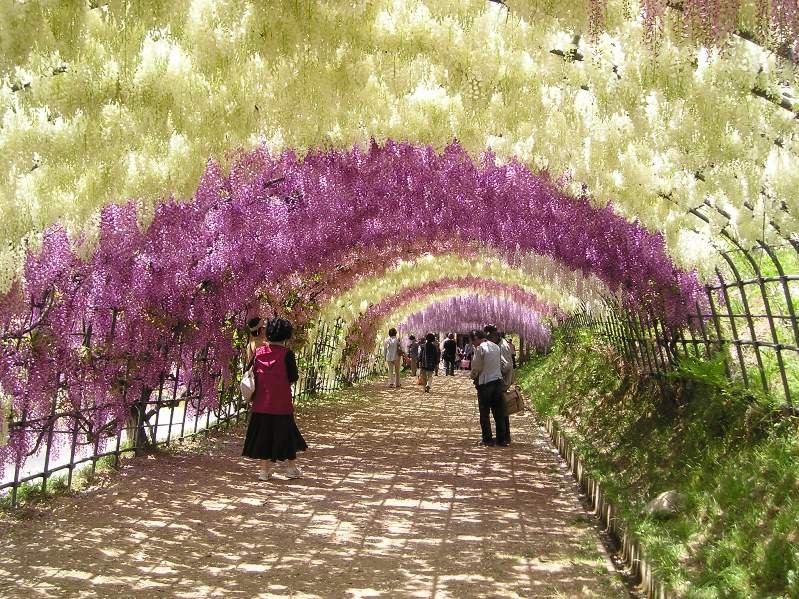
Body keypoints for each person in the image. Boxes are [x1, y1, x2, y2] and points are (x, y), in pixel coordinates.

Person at [242, 318, 308, 481]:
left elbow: (249, 372)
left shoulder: (258, 353)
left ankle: (264, 472)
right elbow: (293, 377)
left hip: (261, 403)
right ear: (286, 335)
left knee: (264, 435)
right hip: (281, 403)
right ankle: (291, 469)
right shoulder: (287, 354)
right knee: (286, 434)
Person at [470, 329, 508, 446]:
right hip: (498, 382)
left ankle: (487, 439)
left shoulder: (480, 348)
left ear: (476, 339)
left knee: (484, 413)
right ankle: (501, 440)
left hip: (485, 383)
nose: (472, 344)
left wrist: (473, 376)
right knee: (499, 413)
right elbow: (503, 364)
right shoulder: (496, 347)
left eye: (472, 341)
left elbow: (477, 367)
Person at [486, 325, 514, 444]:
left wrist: (496, 373)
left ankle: (503, 438)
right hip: (500, 381)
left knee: (500, 411)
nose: (488, 340)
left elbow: (507, 366)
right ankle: (504, 436)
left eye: (489, 337)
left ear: (495, 335)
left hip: (501, 382)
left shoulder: (502, 346)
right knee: (502, 411)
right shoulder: (499, 345)